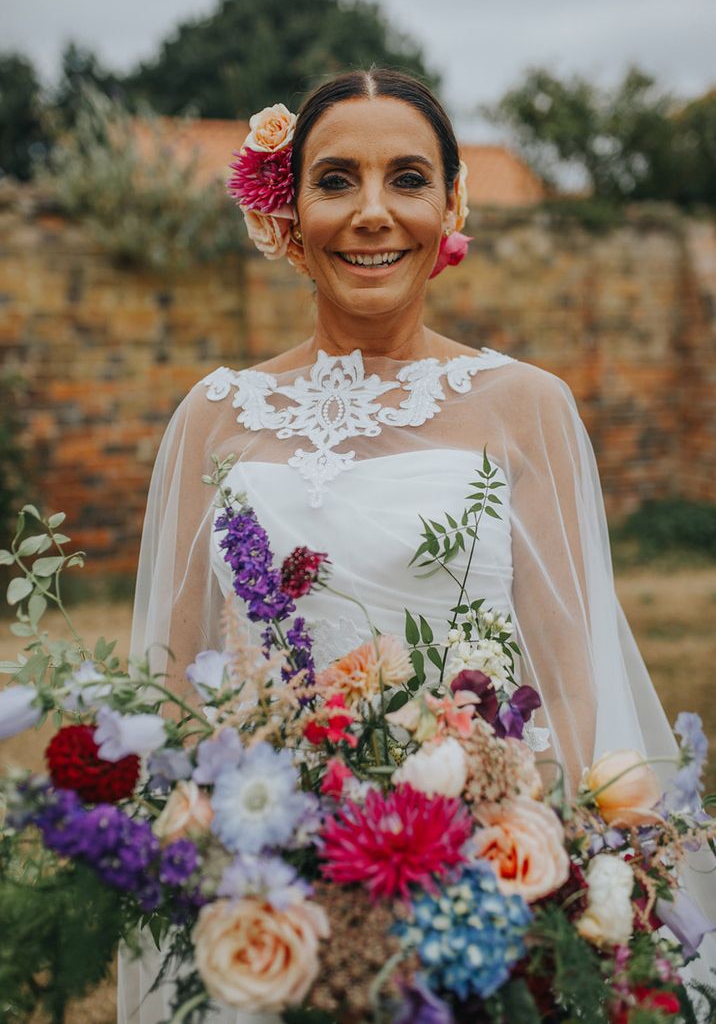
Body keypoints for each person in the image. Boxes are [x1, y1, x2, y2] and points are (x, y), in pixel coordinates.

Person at [118, 67, 715, 1023]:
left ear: (448, 206)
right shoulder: (212, 418)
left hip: (481, 890)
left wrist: (542, 868)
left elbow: (569, 686)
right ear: (289, 210)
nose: (372, 213)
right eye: (336, 180)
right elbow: (172, 687)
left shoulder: (528, 407)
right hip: (270, 893)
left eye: (406, 179)